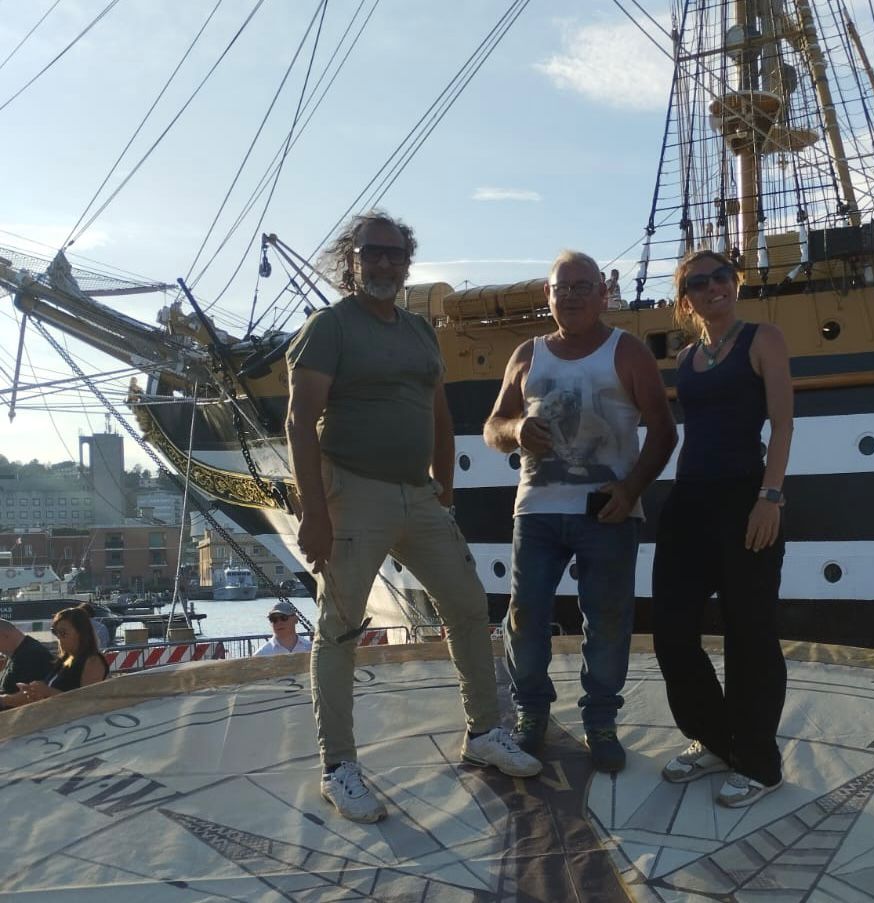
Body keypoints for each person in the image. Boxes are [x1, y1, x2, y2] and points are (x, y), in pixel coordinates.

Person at [287, 210, 540, 824]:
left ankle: (483, 731)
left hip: (417, 493)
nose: (383, 264)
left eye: (394, 255)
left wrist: (445, 486)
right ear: (353, 260)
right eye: (372, 253)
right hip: (353, 490)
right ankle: (339, 766)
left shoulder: (421, 332)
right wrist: (314, 514)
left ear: (407, 263)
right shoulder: (330, 327)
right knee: (340, 625)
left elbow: (439, 411)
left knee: (465, 603)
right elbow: (299, 421)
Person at [484, 249, 677, 771]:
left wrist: (631, 489)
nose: (569, 295)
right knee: (524, 616)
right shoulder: (527, 355)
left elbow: (663, 431)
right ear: (548, 296)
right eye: (560, 287)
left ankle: (601, 721)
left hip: (609, 512)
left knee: (609, 619)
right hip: (538, 509)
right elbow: (494, 426)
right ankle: (530, 714)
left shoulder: (628, 352)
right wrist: (516, 431)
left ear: (602, 294)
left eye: (580, 286)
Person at [652, 249, 794, 808]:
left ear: (734, 283)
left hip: (746, 498)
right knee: (671, 630)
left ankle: (759, 762)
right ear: (685, 299)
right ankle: (715, 738)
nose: (713, 287)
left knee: (749, 632)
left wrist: (770, 496)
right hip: (689, 502)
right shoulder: (685, 359)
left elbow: (782, 423)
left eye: (721, 276)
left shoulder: (763, 339)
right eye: (697, 282)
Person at [7, 607, 110, 707]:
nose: (59, 638)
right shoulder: (67, 658)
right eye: (55, 632)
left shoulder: (92, 661)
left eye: (63, 633)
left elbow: (87, 703)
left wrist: (47, 691)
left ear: (81, 633)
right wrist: (36, 692)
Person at [0, 619, 54, 711]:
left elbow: (28, 697)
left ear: (4, 635)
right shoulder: (17, 652)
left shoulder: (33, 655)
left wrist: (3, 700)